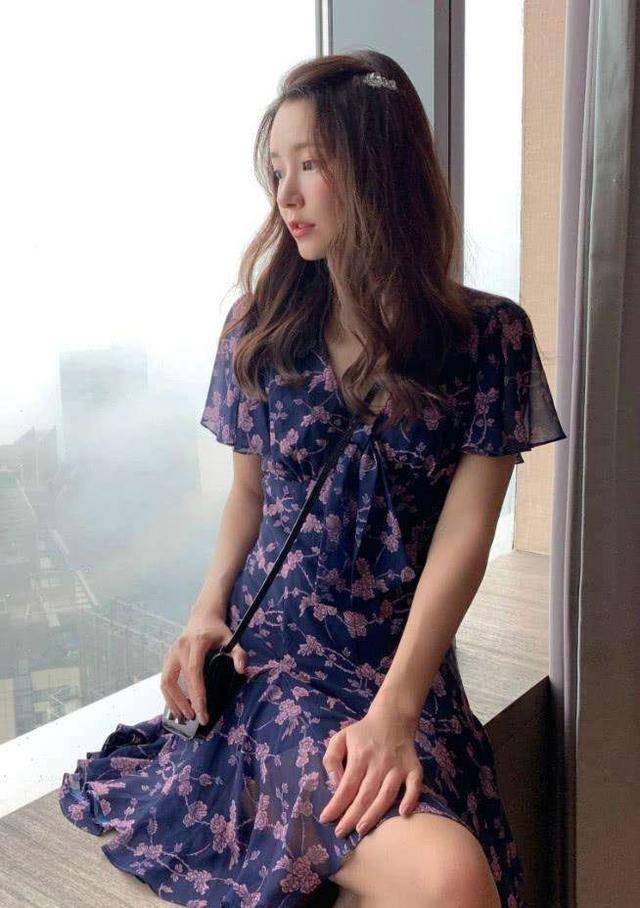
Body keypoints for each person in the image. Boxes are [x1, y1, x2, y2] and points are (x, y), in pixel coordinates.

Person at [58, 50, 567, 908]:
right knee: (448, 876)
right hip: (275, 671)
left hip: (403, 673)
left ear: (378, 169)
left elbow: (465, 535)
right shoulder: (262, 328)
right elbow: (250, 495)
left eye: (311, 165)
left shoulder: (489, 339)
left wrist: (398, 709)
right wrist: (207, 610)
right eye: (276, 170)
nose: (285, 196)